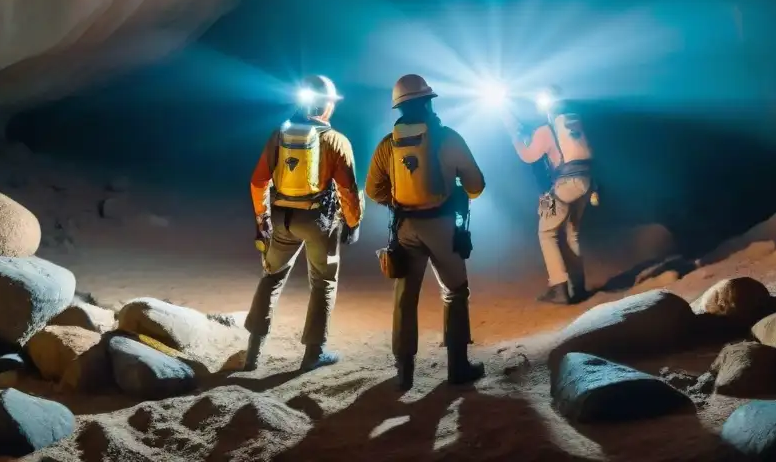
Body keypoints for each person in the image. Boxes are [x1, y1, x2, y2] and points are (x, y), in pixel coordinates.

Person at [365, 74, 486, 391]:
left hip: (405, 228)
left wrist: (399, 200)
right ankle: (457, 367)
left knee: (405, 298)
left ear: (399, 108)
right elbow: (477, 186)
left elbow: (372, 190)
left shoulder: (387, 144)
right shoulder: (448, 138)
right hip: (443, 226)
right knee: (455, 292)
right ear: (429, 102)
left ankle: (404, 374)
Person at [243, 74, 364, 372]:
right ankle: (313, 354)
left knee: (271, 278)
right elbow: (347, 190)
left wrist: (263, 219)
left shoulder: (278, 135)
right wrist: (353, 222)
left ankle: (252, 356)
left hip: (282, 219)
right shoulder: (336, 140)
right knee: (323, 282)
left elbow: (258, 181)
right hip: (319, 221)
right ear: (327, 106)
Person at [505, 85, 594, 304]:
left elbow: (528, 155)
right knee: (572, 233)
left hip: (563, 185)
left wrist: (514, 137)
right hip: (585, 182)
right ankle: (578, 286)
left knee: (547, 233)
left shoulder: (547, 129)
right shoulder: (575, 123)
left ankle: (559, 286)